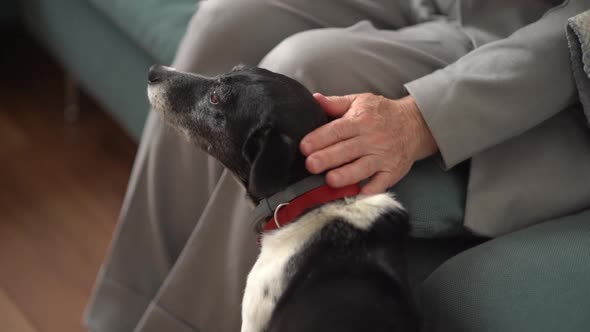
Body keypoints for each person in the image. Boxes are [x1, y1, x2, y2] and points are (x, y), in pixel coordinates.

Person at [85, 1, 590, 331]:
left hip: (549, 55)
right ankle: (117, 318)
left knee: (301, 69)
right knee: (229, 18)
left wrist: (421, 118)